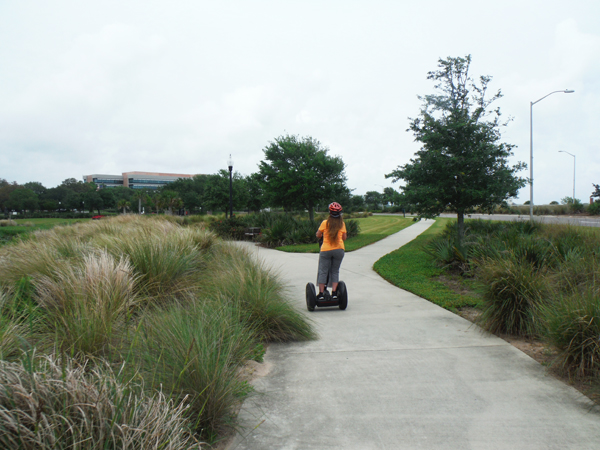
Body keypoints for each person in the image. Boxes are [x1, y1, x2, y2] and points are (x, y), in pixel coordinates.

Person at [315, 202, 347, 300]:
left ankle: (321, 294)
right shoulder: (342, 224)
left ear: (330, 212)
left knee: (323, 271)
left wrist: (322, 236)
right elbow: (344, 237)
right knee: (335, 271)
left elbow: (318, 235)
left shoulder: (325, 223)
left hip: (326, 250)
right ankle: (334, 293)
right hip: (339, 250)